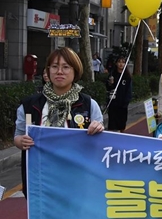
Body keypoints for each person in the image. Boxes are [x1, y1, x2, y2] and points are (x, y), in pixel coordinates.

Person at [14, 47, 105, 197]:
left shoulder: (88, 104)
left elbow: (100, 143)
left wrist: (98, 129)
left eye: (66, 67)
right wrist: (20, 141)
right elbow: (18, 136)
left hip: (77, 181)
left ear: (75, 71)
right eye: (54, 67)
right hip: (40, 180)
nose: (59, 71)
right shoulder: (29, 105)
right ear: (48, 71)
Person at [106, 56, 133, 132]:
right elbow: (108, 88)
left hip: (122, 105)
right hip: (113, 103)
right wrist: (110, 83)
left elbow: (129, 90)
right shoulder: (112, 74)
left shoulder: (127, 76)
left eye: (123, 62)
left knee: (122, 124)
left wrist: (126, 102)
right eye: (119, 62)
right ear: (116, 63)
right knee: (112, 124)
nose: (121, 64)